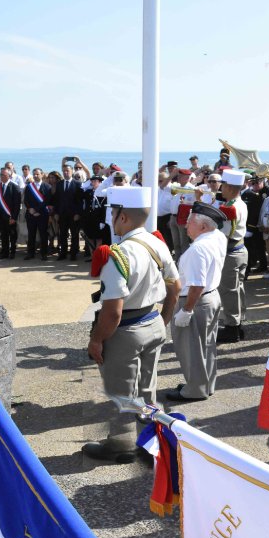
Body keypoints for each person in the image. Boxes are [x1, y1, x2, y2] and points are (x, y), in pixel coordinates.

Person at [82, 186, 178, 463]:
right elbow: (175, 285)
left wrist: (97, 340)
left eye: (113, 213)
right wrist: (163, 320)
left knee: (121, 392)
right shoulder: (156, 243)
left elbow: (112, 312)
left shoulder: (118, 255)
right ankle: (149, 440)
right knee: (147, 388)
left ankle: (120, 446)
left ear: (122, 216)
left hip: (126, 331)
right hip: (152, 322)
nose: (110, 220)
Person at [165, 203, 225, 403]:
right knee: (206, 346)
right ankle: (205, 384)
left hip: (196, 301)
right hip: (211, 297)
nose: (185, 226)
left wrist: (186, 310)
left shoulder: (198, 249)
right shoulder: (217, 237)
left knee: (191, 349)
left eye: (190, 222)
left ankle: (194, 389)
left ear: (203, 227)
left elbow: (196, 285)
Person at [211, 171, 251, 344]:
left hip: (231, 252)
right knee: (237, 289)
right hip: (239, 250)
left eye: (223, 185)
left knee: (229, 291)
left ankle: (232, 327)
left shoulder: (231, 207)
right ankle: (238, 323)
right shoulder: (238, 203)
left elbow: (223, 233)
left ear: (228, 186)